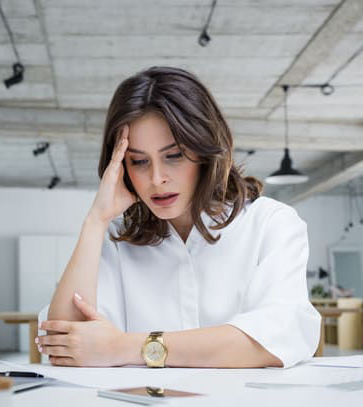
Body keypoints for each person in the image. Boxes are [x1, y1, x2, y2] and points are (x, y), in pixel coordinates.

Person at [36, 66, 320, 369]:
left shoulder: (270, 224)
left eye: (174, 156)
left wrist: (123, 347)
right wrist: (96, 219)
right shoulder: (116, 237)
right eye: (139, 161)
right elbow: (66, 344)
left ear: (205, 150)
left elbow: (273, 339)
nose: (157, 178)